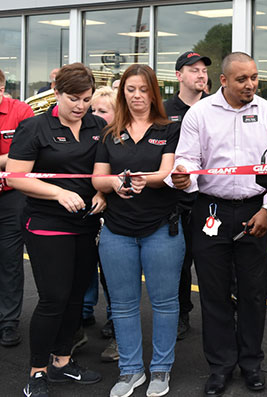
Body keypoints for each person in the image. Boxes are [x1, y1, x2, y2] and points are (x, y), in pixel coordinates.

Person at [170, 52, 267, 395]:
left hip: (257, 209)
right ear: (223, 81)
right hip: (211, 211)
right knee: (214, 292)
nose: (250, 84)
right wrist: (182, 178)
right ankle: (220, 366)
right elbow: (187, 160)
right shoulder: (199, 114)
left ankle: (251, 363)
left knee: (253, 293)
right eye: (242, 79)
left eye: (254, 77)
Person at [7, 63, 106, 397]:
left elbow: (105, 169)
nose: (80, 106)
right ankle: (37, 371)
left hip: (86, 222)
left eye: (86, 99)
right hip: (47, 223)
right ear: (57, 94)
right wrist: (59, 192)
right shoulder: (35, 127)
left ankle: (62, 363)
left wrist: (102, 194)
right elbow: (16, 176)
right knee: (53, 298)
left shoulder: (98, 125)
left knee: (75, 298)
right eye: (73, 98)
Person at [92, 64, 183, 397]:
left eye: (143, 89)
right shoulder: (109, 133)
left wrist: (147, 179)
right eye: (131, 89)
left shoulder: (169, 129)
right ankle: (130, 371)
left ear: (154, 93)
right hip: (117, 231)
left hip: (161, 229)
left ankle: (161, 369)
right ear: (122, 93)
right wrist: (115, 183)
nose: (137, 96)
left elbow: (167, 172)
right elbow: (98, 178)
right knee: (123, 304)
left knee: (164, 303)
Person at [163, 50, 212, 341]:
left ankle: (221, 312)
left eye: (203, 70)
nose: (201, 74)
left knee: (215, 262)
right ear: (179, 75)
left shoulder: (216, 108)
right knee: (179, 263)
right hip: (177, 201)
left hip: (210, 199)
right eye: (193, 70)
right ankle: (182, 313)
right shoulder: (164, 110)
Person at [81, 86, 118, 362]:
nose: (94, 114)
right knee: (82, 270)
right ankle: (81, 319)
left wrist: (103, 192)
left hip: (115, 219)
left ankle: (116, 326)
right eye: (92, 109)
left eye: (102, 111)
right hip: (83, 215)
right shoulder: (86, 137)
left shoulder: (120, 142)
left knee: (113, 279)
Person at [0, 68, 34, 348]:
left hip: (11, 197)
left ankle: (8, 322)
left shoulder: (21, 111)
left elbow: (23, 153)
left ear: (2, 89)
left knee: (10, 260)